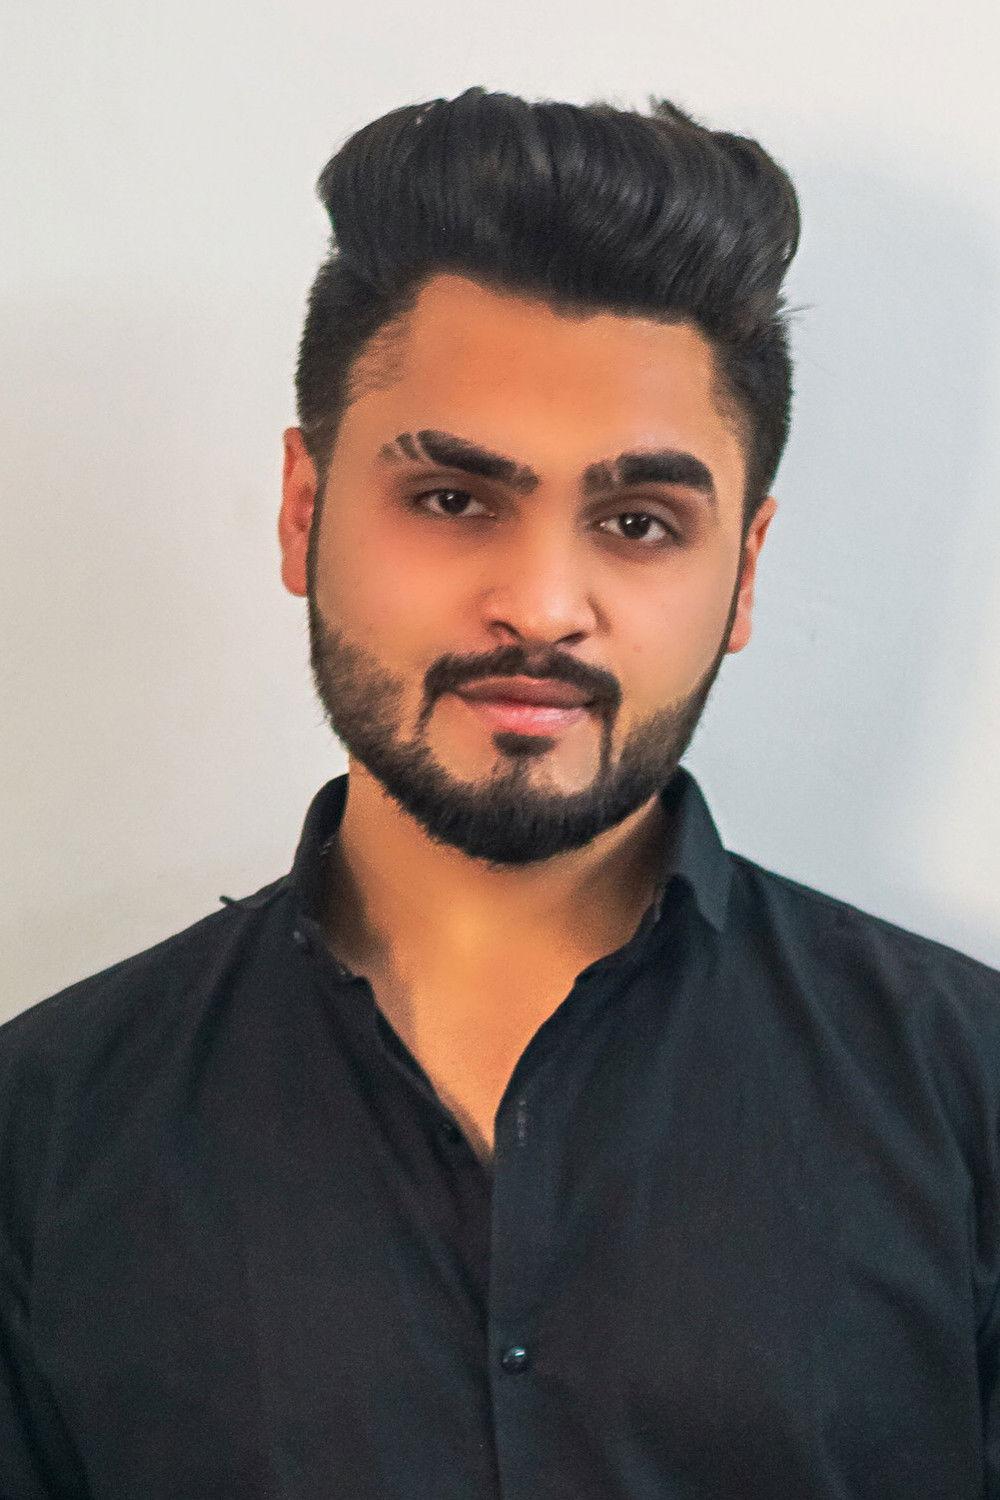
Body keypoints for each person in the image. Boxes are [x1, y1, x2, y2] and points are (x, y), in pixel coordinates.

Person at [2, 86, 998, 1500]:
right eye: (454, 500)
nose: (541, 603)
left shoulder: (969, 1098)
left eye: (639, 522)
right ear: (304, 509)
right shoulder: (44, 1133)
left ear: (745, 575)